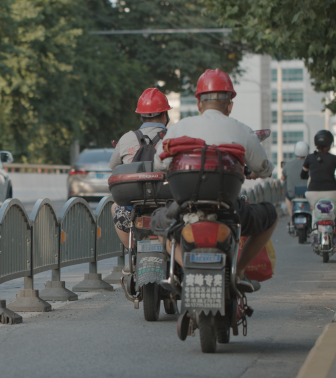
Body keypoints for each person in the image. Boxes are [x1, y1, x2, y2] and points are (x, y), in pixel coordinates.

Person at [152, 68, 277, 293]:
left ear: (199, 103)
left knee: (161, 224)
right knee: (270, 215)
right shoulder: (242, 130)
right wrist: (261, 171)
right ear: (230, 104)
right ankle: (238, 272)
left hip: (185, 206)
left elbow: (159, 163)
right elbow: (262, 167)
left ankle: (187, 268)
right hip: (229, 208)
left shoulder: (179, 128)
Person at [109, 88, 172, 250]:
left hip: (133, 206)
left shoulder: (127, 138)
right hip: (169, 205)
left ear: (141, 116)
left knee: (114, 207)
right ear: (165, 115)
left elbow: (113, 167)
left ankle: (132, 253)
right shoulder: (175, 136)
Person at [301, 130, 336, 210]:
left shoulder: (309, 157)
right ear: (330, 143)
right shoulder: (334, 158)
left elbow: (303, 175)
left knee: (314, 209)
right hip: (332, 192)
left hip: (313, 193)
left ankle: (314, 222)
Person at [283, 141, 309, 221]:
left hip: (293, 194)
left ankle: (292, 217)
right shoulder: (310, 164)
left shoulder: (288, 164)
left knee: (287, 196)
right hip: (308, 194)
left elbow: (283, 177)